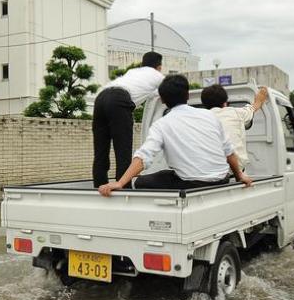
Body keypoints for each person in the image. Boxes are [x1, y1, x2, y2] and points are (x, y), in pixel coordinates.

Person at [98, 75, 253, 196]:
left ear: (163, 100)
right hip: (221, 180)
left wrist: (120, 183)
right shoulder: (209, 116)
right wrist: (239, 176)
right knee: (167, 175)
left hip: (192, 185)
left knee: (140, 182)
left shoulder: (162, 124)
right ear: (187, 95)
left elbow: (144, 157)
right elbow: (229, 152)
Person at [92, 51, 165, 187]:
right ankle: (123, 189)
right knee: (123, 151)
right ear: (159, 66)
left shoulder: (132, 72)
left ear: (143, 63)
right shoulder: (158, 76)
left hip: (100, 97)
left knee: (100, 149)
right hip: (119, 100)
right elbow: (166, 92)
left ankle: (99, 185)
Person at [200, 84, 270, 171]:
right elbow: (256, 105)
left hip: (209, 171)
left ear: (204, 104)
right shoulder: (236, 113)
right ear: (225, 102)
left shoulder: (200, 119)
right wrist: (263, 92)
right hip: (235, 172)